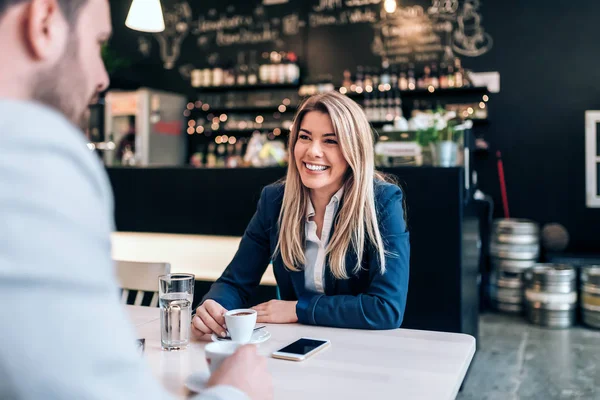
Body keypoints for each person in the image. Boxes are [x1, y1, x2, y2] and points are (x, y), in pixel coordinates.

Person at [0, 0, 272, 399]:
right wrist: (235, 391)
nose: (102, 78)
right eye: (97, 43)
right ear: (43, 21)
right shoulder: (31, 154)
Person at [193, 91, 410, 338]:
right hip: (295, 346)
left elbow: (386, 309)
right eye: (305, 137)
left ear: (354, 149)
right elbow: (234, 282)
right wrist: (214, 307)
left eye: (330, 141)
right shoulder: (274, 201)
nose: (312, 151)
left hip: (361, 349)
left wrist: (298, 309)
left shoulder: (381, 200)